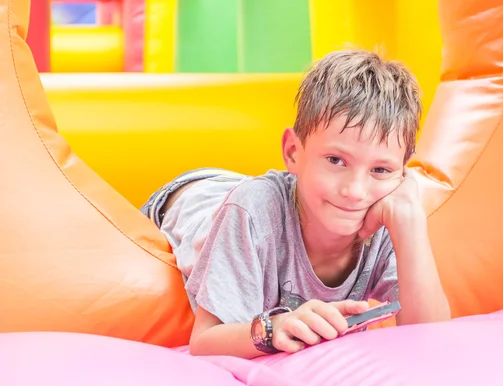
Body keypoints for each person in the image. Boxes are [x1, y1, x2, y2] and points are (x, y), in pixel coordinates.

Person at [141, 49, 450, 359]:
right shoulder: (250, 213)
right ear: (292, 152)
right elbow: (205, 341)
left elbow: (431, 338)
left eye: (380, 170)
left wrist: (411, 222)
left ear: (401, 172)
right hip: (193, 198)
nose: (355, 191)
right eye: (335, 160)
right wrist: (276, 328)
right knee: (252, 201)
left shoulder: (386, 214)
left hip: (274, 194)